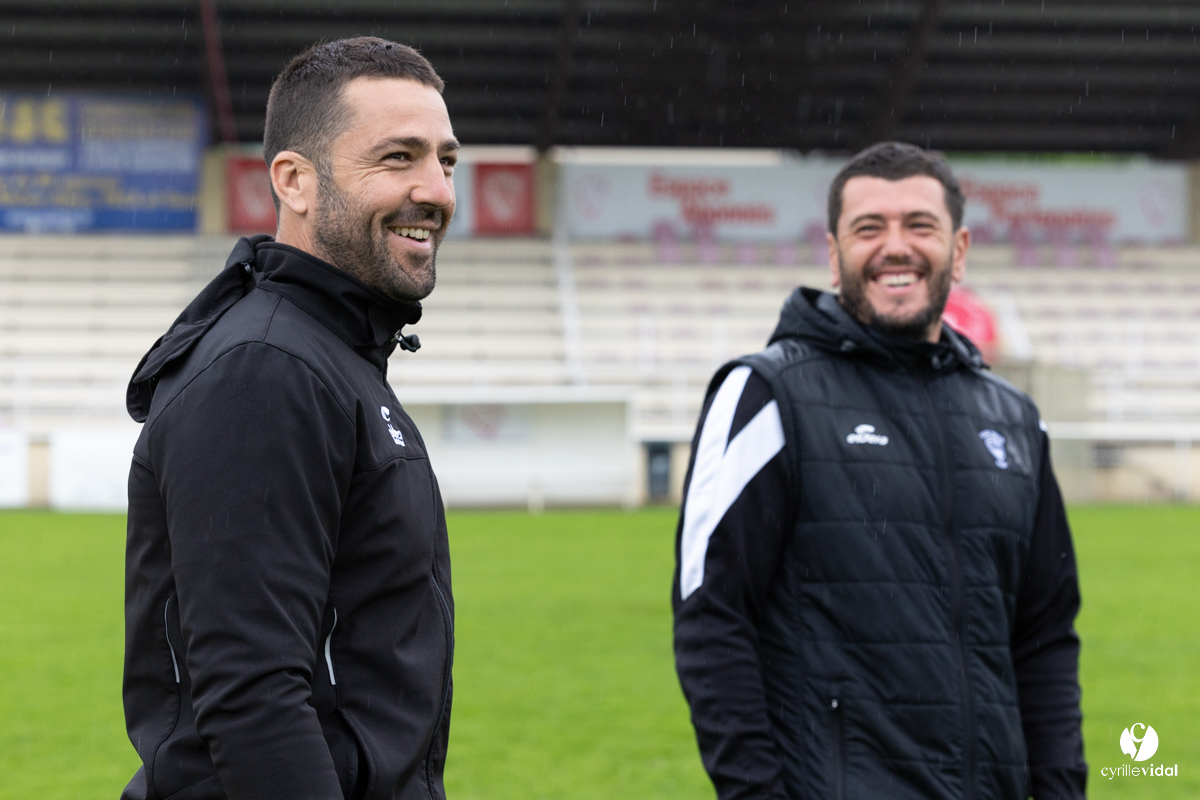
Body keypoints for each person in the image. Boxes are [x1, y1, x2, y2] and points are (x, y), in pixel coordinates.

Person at [673, 142, 1086, 800]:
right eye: (869, 228)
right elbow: (711, 617)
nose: (896, 247)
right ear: (834, 254)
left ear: (959, 250)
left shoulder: (1015, 420)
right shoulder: (767, 395)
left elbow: (1045, 636)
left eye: (920, 225)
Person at [121, 37, 458, 800]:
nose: (436, 190)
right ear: (295, 181)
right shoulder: (266, 371)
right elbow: (252, 700)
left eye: (446, 161)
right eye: (398, 158)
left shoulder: (331, 356)